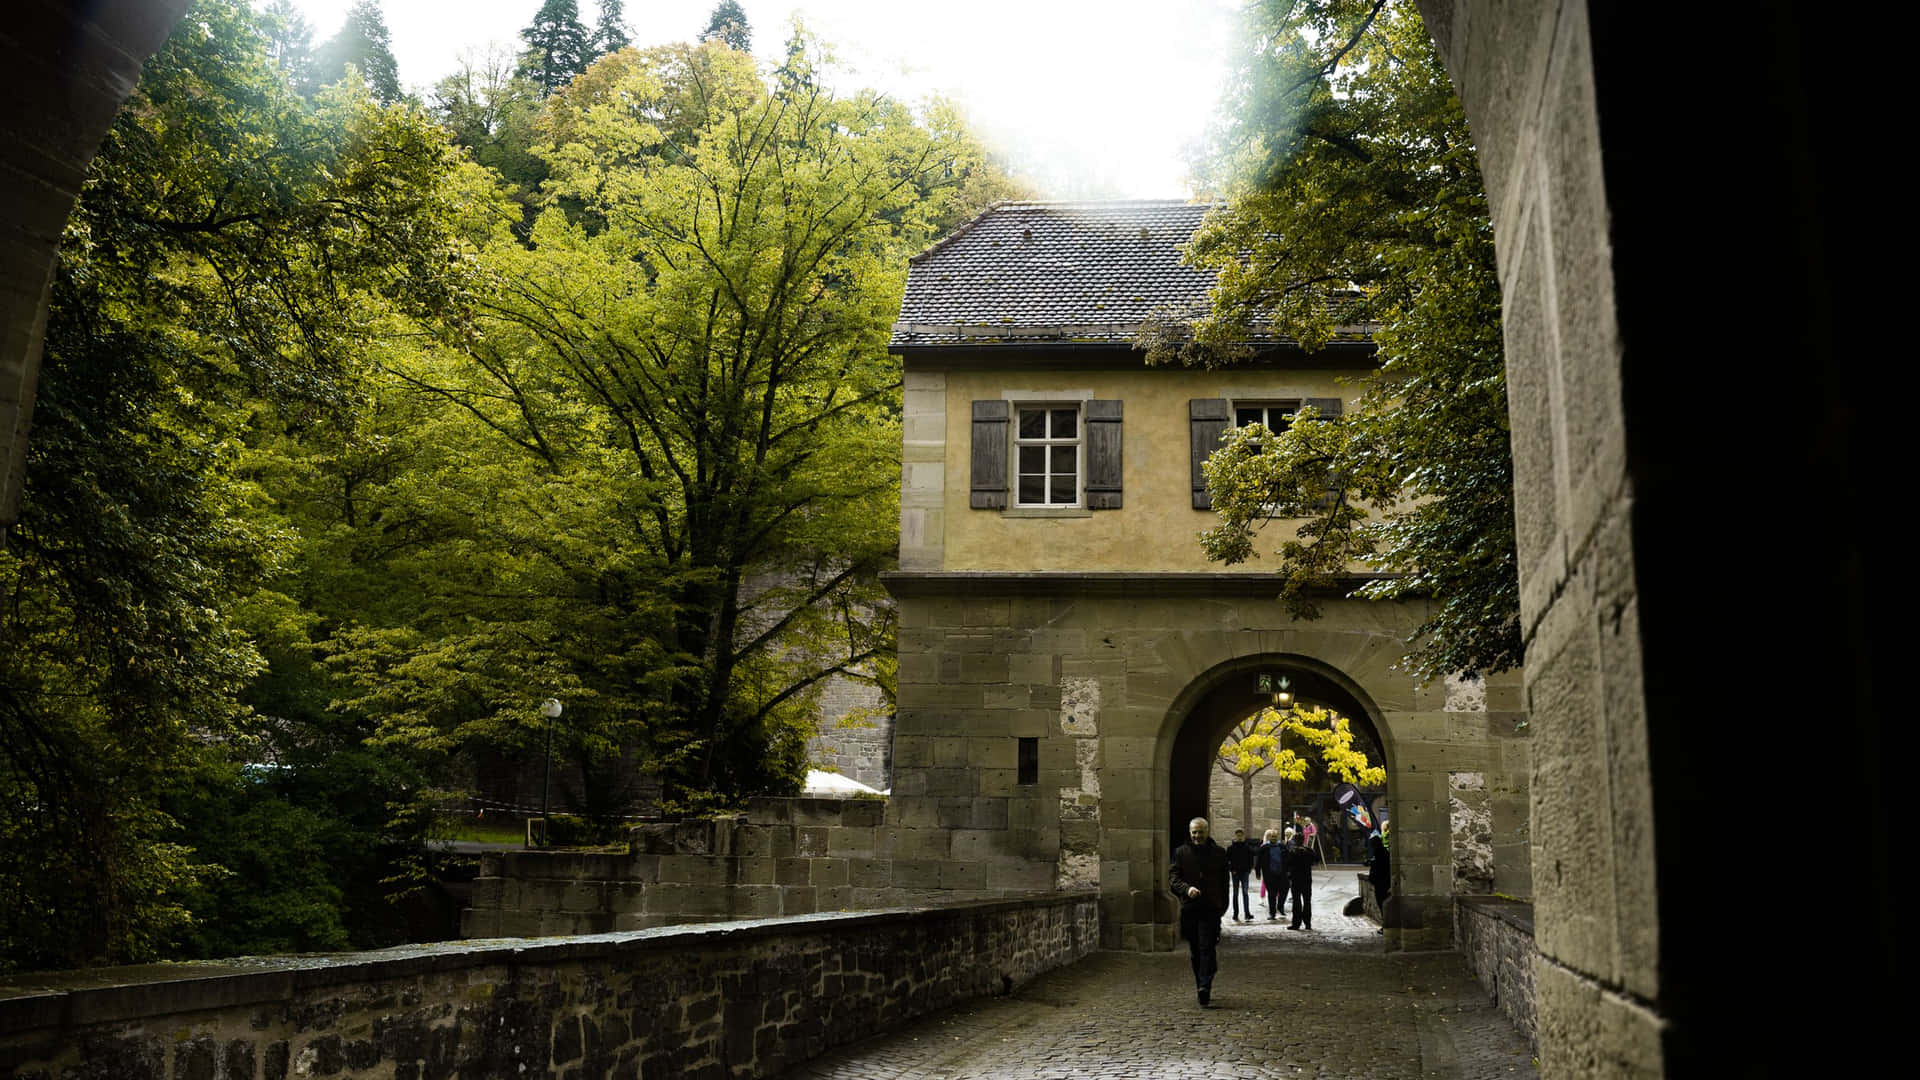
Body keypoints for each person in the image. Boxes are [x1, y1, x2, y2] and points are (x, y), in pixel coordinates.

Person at [1168, 816, 1229, 1006]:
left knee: (1207, 947)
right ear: (1190, 832)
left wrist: (1223, 906)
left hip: (1211, 908)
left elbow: (1224, 883)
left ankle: (1205, 986)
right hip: (1190, 908)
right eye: (1194, 832)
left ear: (1207, 831)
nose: (1197, 836)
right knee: (1195, 950)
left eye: (1200, 832)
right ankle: (1201, 984)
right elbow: (1173, 878)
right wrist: (1187, 889)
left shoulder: (1219, 853)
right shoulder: (1180, 853)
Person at [1287, 827, 1321, 930]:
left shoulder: (1293, 851)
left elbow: (1288, 864)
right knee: (1307, 901)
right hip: (1306, 878)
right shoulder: (1309, 851)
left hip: (1296, 879)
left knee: (1297, 901)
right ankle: (1307, 923)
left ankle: (1296, 923)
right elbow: (1316, 860)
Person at [1258, 827, 1290, 921]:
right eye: (1272, 836)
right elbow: (1259, 860)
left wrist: (1288, 870)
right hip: (1269, 874)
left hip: (1282, 874)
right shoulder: (1264, 847)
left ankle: (1280, 907)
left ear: (1277, 837)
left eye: (1275, 837)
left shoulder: (1282, 846)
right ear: (1269, 837)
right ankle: (1272, 913)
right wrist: (1258, 871)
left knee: (1284, 891)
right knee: (1272, 894)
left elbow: (1287, 859)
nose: (1273, 838)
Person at [1225, 827, 1257, 922]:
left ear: (1243, 836)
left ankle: (1247, 913)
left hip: (1244, 873)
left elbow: (1250, 859)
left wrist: (1249, 869)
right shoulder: (1231, 848)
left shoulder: (1247, 848)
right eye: (1238, 835)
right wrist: (1232, 869)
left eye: (1241, 835)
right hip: (1235, 873)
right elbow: (1227, 860)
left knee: (1245, 893)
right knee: (1235, 894)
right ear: (1235, 836)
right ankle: (1235, 913)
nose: (1239, 837)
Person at [1367, 825, 1392, 935]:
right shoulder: (1384, 853)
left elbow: (1378, 869)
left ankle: (1386, 925)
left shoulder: (1379, 853)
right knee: (1383, 905)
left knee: (1383, 905)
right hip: (1385, 882)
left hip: (1381, 883)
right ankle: (1386, 925)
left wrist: (1372, 878)